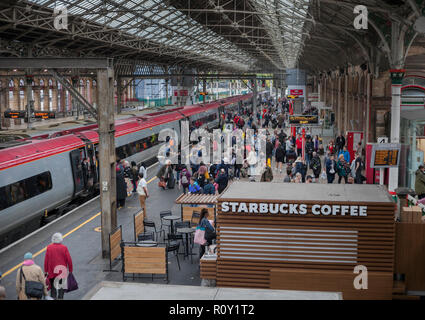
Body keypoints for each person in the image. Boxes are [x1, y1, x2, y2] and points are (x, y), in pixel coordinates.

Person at [44, 233, 73, 300]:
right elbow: (69, 260)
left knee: (53, 289)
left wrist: (46, 271)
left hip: (52, 271)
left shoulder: (49, 248)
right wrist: (70, 270)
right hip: (62, 271)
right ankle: (60, 298)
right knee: (61, 288)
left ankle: (53, 297)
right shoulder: (64, 248)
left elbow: (46, 260)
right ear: (60, 239)